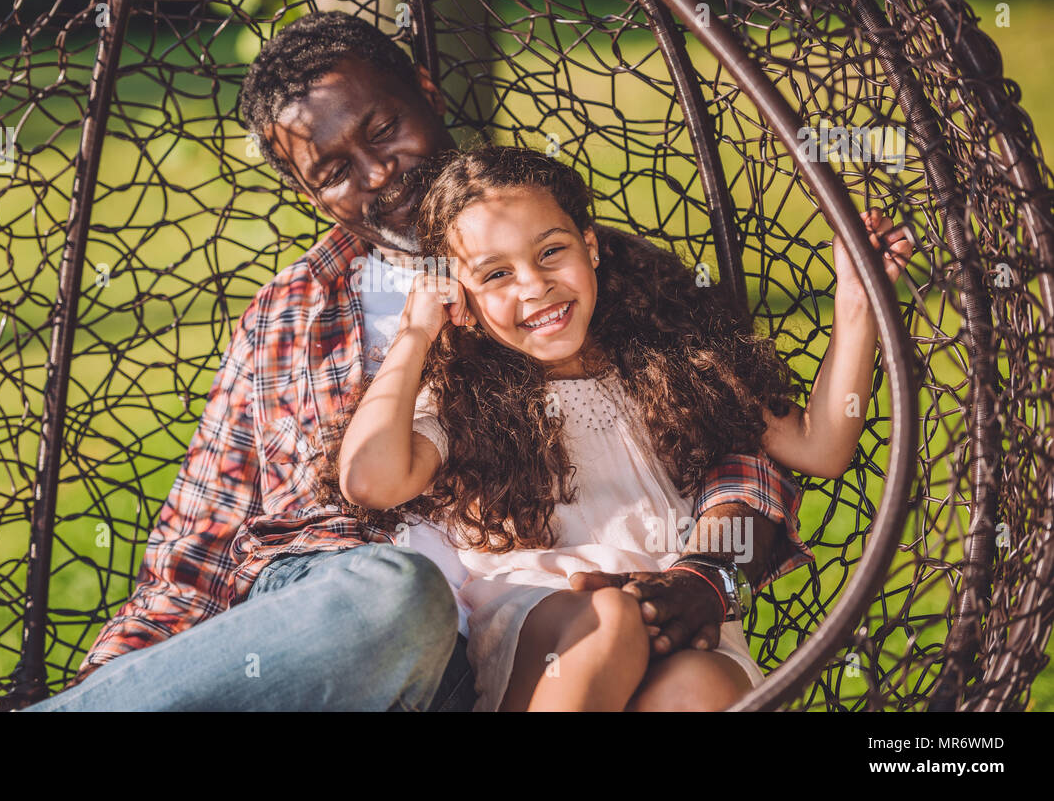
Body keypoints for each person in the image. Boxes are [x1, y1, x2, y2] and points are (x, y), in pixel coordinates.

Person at [25, 11, 815, 712]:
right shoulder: (290, 313)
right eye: (333, 170)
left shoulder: (585, 281)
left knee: (689, 685)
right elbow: (197, 540)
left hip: (535, 648)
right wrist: (116, 683)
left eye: (383, 129)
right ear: (310, 194)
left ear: (428, 93)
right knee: (397, 595)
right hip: (347, 634)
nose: (375, 174)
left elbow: (739, 451)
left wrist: (712, 576)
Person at [329, 143, 913, 711]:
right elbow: (370, 481)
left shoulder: (671, 358)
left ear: (590, 246)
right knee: (610, 622)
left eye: (551, 252)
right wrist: (416, 333)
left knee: (702, 688)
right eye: (496, 274)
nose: (534, 286)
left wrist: (858, 299)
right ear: (461, 297)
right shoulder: (466, 393)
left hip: (678, 611)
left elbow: (824, 445)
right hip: (547, 620)